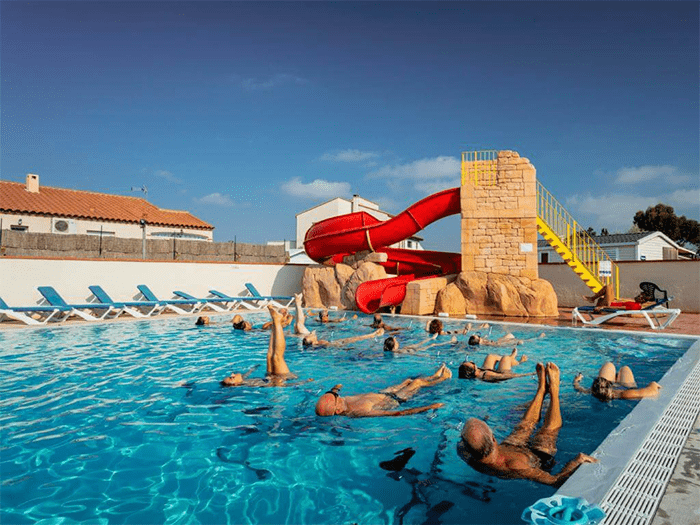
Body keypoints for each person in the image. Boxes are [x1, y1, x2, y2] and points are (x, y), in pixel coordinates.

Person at [457, 362, 597, 486]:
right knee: (548, 431)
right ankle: (554, 390)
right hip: (537, 458)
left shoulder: (464, 452)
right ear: (493, 439)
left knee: (524, 425)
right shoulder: (515, 466)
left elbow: (469, 442)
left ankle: (541, 389)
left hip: (508, 447)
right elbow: (554, 481)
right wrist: (575, 462)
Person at [315, 363, 452, 417]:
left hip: (384, 393)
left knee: (410, 380)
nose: (338, 396)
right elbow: (396, 413)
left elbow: (333, 393)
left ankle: (434, 376)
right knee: (417, 383)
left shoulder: (341, 401)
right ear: (337, 410)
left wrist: (336, 388)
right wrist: (430, 407)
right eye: (336, 398)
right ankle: (442, 379)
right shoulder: (358, 411)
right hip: (394, 400)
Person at [221, 305, 311, 387]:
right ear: (236, 383)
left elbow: (247, 373)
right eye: (232, 378)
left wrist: (254, 367)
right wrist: (304, 382)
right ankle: (277, 321)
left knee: (269, 356)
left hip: (270, 375)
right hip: (282, 378)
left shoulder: (243, 380)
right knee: (277, 357)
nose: (232, 374)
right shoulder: (250, 384)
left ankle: (276, 321)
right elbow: (278, 386)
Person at [573, 362, 661, 401]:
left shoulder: (593, 392)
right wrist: (653, 384)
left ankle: (614, 373)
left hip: (613, 389)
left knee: (609, 365)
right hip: (626, 386)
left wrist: (576, 380)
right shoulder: (625, 394)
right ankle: (618, 373)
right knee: (624, 368)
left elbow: (579, 388)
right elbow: (651, 392)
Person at [458, 349, 533, 382]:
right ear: (474, 371)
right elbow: (506, 376)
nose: (472, 361)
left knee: (490, 356)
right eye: (472, 363)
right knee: (505, 358)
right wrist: (529, 374)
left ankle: (512, 357)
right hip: (503, 373)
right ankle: (519, 361)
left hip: (484, 370)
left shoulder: (477, 372)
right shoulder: (487, 375)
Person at [585, 284, 653, 313]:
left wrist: (604, 307)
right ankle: (593, 299)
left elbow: (621, 308)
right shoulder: (636, 303)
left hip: (610, 304)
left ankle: (592, 299)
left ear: (642, 300)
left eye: (639, 296)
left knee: (608, 287)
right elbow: (623, 303)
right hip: (613, 302)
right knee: (609, 286)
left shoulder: (635, 306)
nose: (638, 296)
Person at [302, 328, 384, 348]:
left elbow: (313, 332)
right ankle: (373, 335)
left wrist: (311, 335)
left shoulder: (318, 343)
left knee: (357, 338)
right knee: (357, 338)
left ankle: (372, 335)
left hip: (337, 343)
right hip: (338, 344)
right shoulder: (319, 344)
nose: (307, 335)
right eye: (307, 337)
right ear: (311, 342)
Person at [383, 334, 457, 354]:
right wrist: (422, 354)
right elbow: (412, 354)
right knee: (432, 345)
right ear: (393, 346)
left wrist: (430, 338)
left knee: (420, 343)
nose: (398, 342)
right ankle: (451, 342)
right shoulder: (398, 351)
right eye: (396, 341)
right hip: (417, 351)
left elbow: (417, 344)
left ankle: (432, 338)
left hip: (415, 349)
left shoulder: (401, 348)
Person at [467, 331, 545, 347]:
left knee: (510, 335)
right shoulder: (483, 343)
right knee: (521, 342)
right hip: (500, 344)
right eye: (478, 337)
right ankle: (538, 338)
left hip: (499, 342)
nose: (480, 337)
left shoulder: (481, 341)